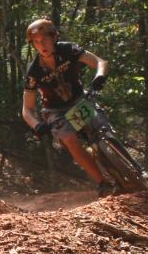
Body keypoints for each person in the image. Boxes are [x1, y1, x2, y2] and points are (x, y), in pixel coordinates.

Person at [20, 18, 116, 197]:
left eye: (44, 39)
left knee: (103, 130)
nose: (41, 45)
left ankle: (127, 164)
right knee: (69, 138)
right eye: (36, 42)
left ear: (55, 37)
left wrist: (100, 76)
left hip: (80, 101)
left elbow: (100, 62)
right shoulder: (34, 72)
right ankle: (102, 183)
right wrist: (36, 125)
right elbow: (27, 109)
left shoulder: (69, 50)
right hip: (56, 112)